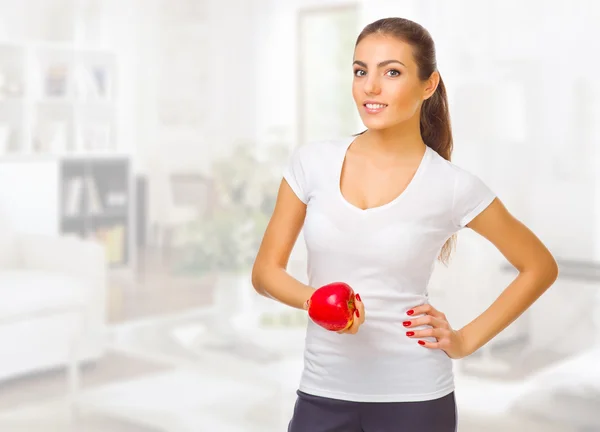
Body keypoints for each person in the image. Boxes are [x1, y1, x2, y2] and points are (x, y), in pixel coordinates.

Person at [251, 16, 558, 432]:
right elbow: (265, 272)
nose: (370, 88)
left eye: (391, 72)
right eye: (361, 71)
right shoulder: (311, 163)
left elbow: (539, 266)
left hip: (414, 399)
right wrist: (315, 301)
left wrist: (465, 340)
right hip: (322, 392)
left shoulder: (452, 185)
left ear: (428, 85)